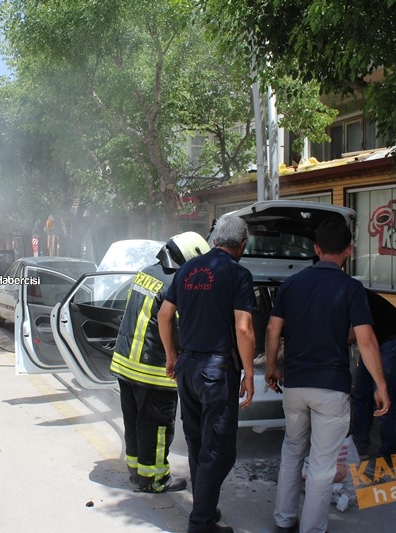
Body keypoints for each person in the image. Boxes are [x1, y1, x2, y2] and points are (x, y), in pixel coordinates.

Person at [265, 220, 390, 533]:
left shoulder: (291, 285)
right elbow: (366, 340)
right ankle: (312, 529)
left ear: (316, 249)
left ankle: (283, 520)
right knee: (322, 464)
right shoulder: (352, 289)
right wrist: (381, 385)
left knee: (292, 451)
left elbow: (272, 329)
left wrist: (270, 367)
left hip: (294, 384)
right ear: (348, 251)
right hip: (331, 389)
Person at [158, 215, 255, 533]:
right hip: (216, 371)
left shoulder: (187, 269)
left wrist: (172, 355)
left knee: (200, 444)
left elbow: (164, 314)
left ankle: (205, 511)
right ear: (241, 244)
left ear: (215, 240)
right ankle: (200, 522)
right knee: (220, 450)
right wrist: (250, 373)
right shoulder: (239, 274)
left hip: (187, 368)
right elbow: (243, 328)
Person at [111, 231, 209, 494]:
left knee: (133, 421)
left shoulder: (145, 272)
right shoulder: (176, 283)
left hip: (125, 364)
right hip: (152, 369)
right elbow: (178, 328)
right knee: (156, 427)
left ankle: (136, 471)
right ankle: (154, 479)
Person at [352, 289, 396, 458]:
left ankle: (391, 456)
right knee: (361, 394)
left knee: (384, 398)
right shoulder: (340, 291)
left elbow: (351, 334)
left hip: (393, 341)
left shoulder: (350, 294)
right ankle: (358, 447)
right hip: (373, 343)